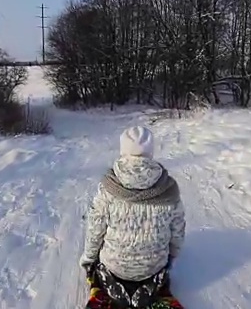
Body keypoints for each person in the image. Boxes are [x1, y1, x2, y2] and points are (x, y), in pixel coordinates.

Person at [80, 126, 186, 307]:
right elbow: (177, 230)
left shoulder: (109, 185)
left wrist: (89, 259)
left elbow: (95, 228)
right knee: (158, 268)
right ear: (150, 151)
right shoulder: (168, 187)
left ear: (123, 150)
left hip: (115, 268)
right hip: (153, 269)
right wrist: (172, 255)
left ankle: (111, 289)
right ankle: (150, 290)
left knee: (100, 262)